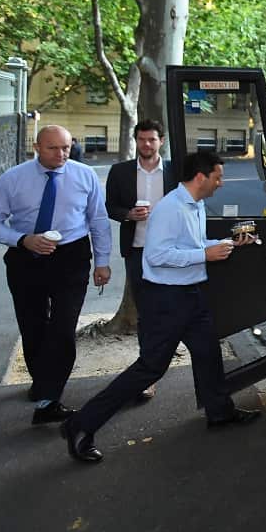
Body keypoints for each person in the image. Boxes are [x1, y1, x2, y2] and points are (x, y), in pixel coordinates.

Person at [61, 150, 261, 464]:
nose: (221, 183)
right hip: (165, 301)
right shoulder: (170, 208)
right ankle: (79, 425)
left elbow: (192, 246)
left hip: (190, 295)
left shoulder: (194, 204)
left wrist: (227, 244)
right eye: (218, 177)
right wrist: (203, 256)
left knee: (208, 353)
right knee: (150, 369)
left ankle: (220, 412)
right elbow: (156, 256)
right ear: (201, 177)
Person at [0, 125, 112, 424]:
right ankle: (43, 385)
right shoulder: (13, 179)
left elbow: (98, 220)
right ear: (37, 147)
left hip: (71, 257)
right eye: (53, 148)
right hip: (26, 257)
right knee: (33, 326)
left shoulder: (85, 175)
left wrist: (102, 262)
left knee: (63, 328)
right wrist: (22, 239)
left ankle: (49, 398)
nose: (61, 154)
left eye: (66, 147)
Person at [105, 119, 177, 400]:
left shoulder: (174, 171)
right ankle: (147, 374)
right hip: (138, 252)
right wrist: (128, 214)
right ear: (136, 141)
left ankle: (161, 358)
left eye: (152, 139)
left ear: (161, 141)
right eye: (142, 139)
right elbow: (110, 206)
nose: (146, 144)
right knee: (145, 314)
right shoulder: (120, 171)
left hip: (171, 251)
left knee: (172, 310)